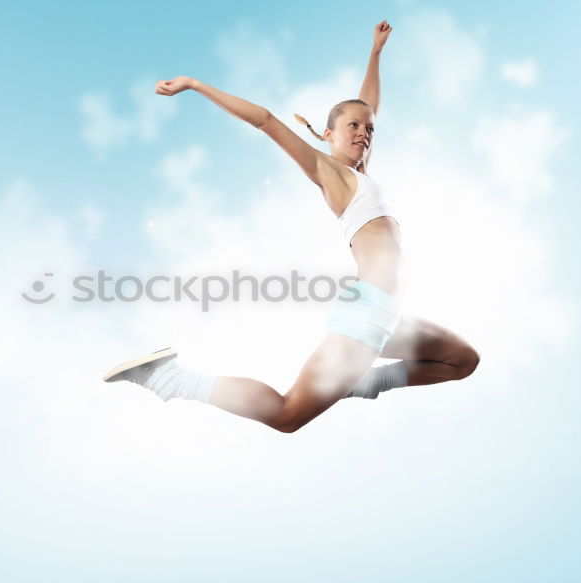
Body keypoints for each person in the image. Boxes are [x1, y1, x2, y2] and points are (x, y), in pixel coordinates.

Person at [102, 20, 480, 433]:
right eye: (353, 126)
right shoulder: (330, 173)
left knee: (462, 361)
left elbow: (367, 104)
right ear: (328, 134)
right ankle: (168, 378)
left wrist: (375, 54)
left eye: (369, 129)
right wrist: (194, 83)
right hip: (369, 313)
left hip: (385, 314)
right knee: (288, 415)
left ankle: (363, 381)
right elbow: (264, 119)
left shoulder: (363, 172)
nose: (364, 133)